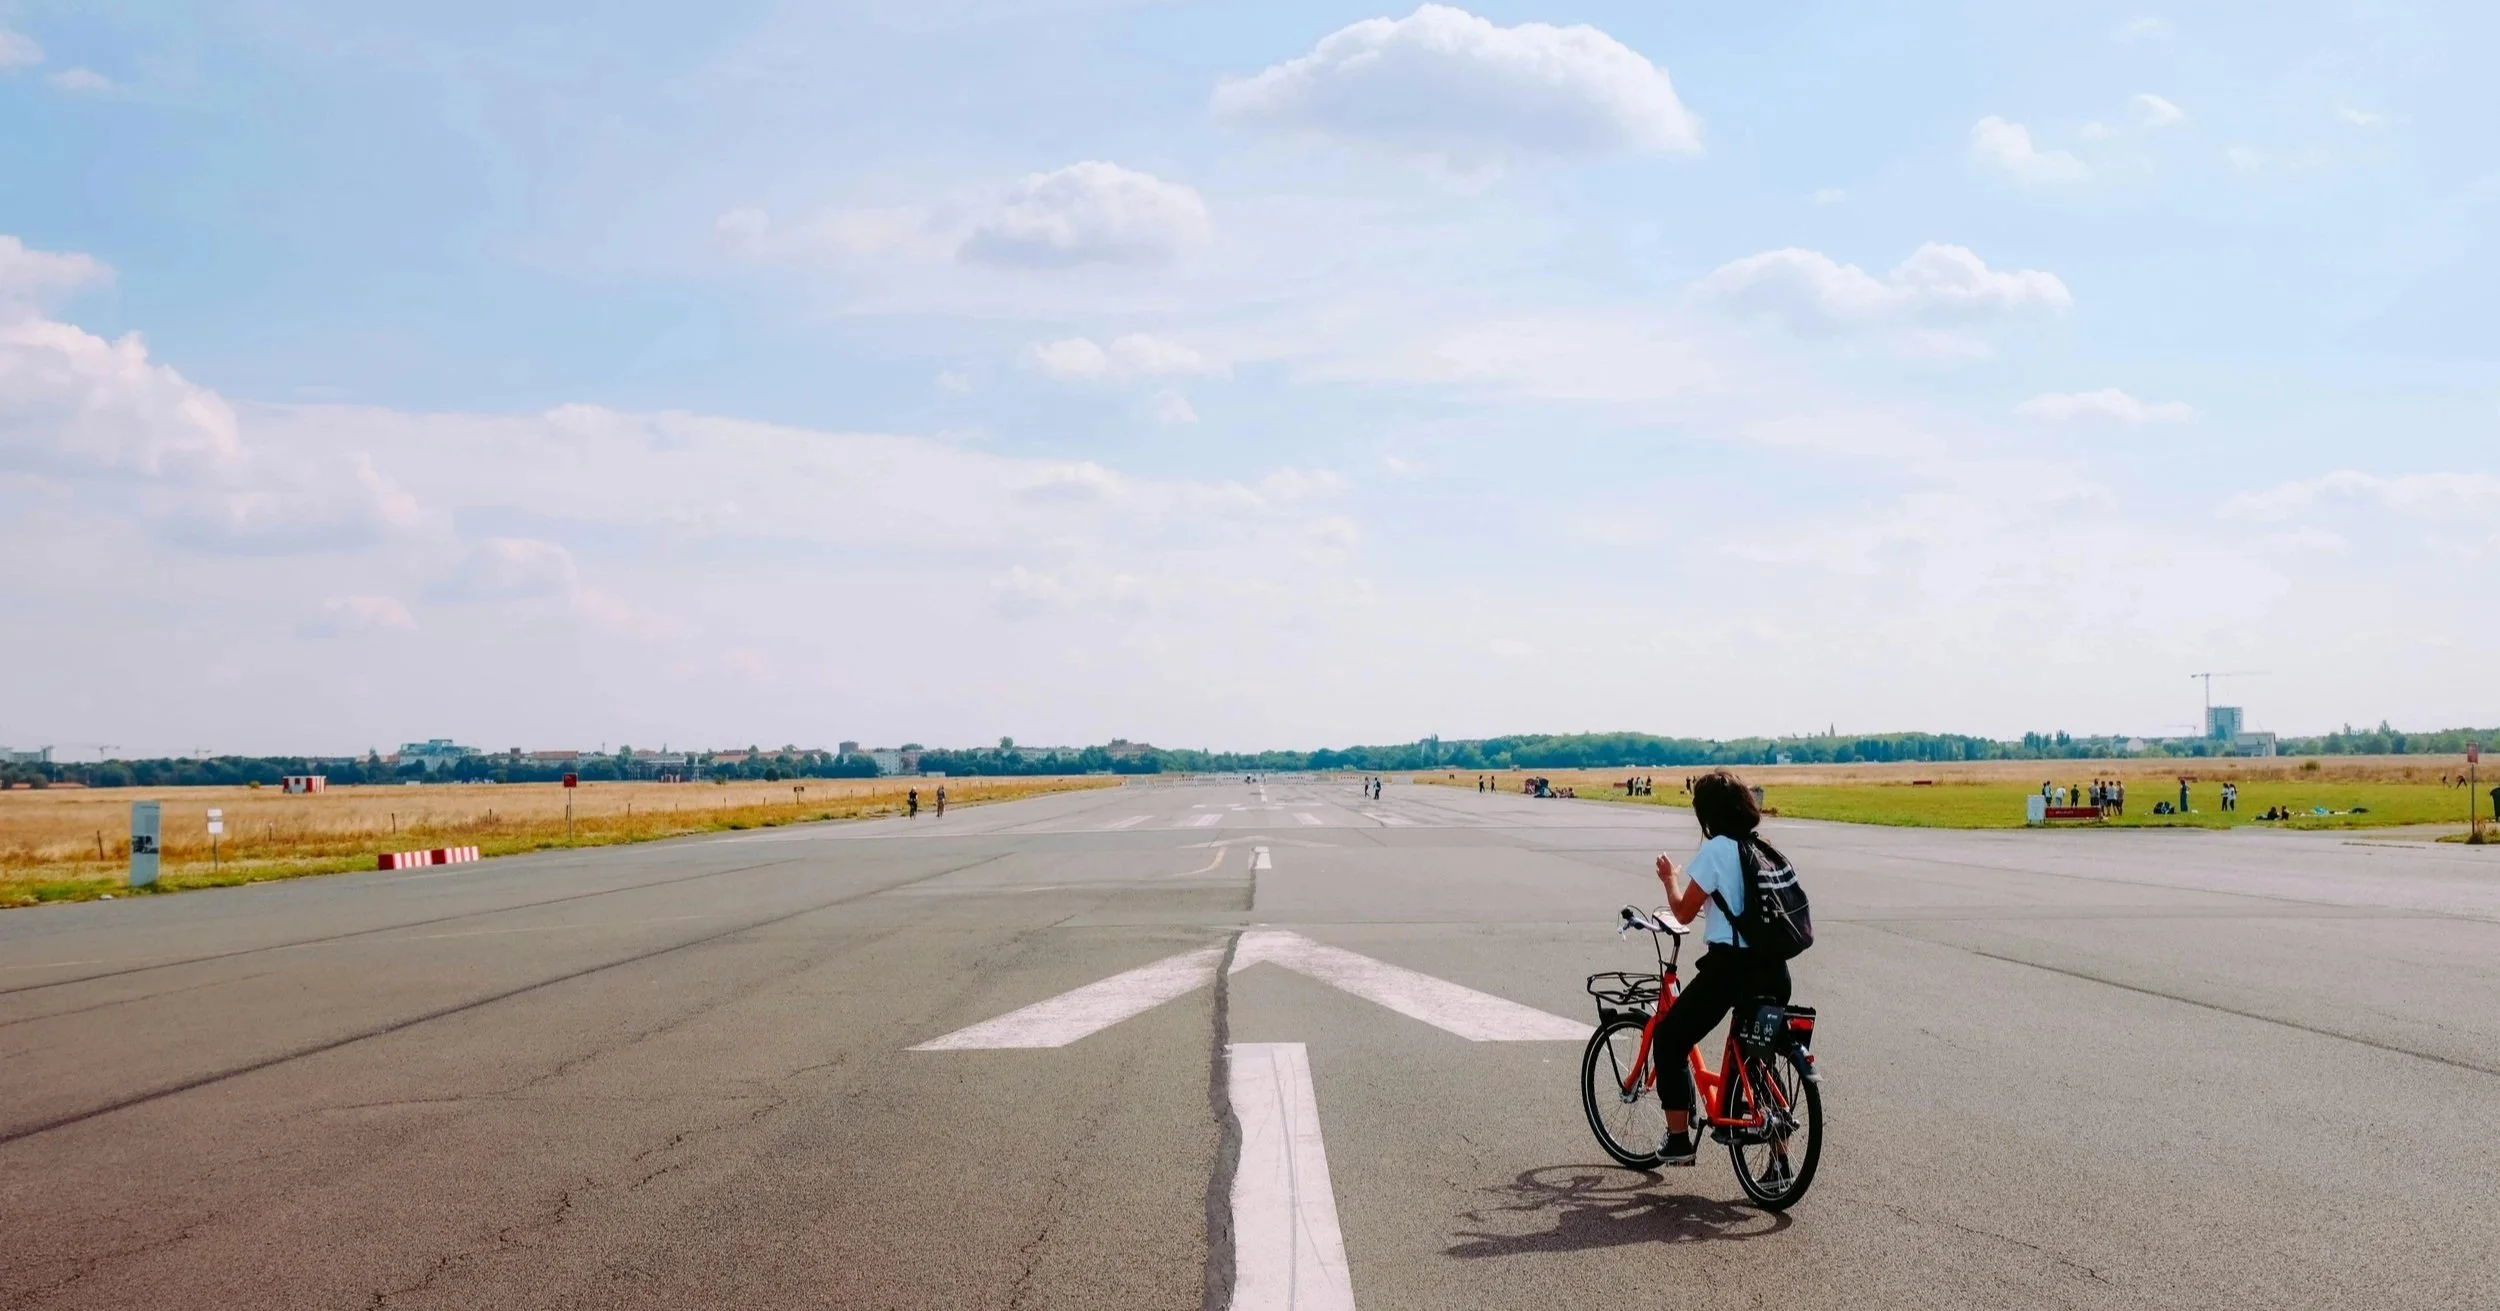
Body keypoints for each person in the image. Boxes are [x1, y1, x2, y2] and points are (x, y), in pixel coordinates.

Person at [1642, 770, 1793, 1166]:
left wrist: (1669, 879)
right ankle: (1780, 1160)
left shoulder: (1717, 850)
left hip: (1731, 970)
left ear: (1707, 814)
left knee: (1670, 1038)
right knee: (1758, 1058)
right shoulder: (1763, 847)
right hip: (1775, 969)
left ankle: (1678, 1140)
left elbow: (1682, 912)